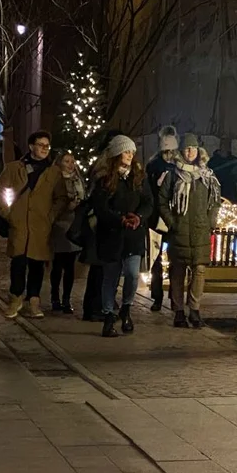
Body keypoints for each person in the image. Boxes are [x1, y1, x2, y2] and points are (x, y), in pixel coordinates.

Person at [0, 131, 67, 320]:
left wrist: (50, 216)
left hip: (41, 226)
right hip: (20, 224)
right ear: (31, 146)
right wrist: (7, 212)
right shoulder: (14, 168)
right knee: (18, 262)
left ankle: (33, 300)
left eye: (47, 146)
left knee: (36, 264)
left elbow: (61, 198)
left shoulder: (54, 172)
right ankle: (15, 298)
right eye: (40, 145)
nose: (44, 149)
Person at [90, 135, 152, 338]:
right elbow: (100, 207)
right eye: (126, 152)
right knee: (110, 276)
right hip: (112, 235)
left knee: (133, 274)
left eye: (132, 153)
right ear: (117, 153)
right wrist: (119, 219)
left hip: (133, 235)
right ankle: (108, 315)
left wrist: (139, 217)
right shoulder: (105, 178)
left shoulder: (138, 177)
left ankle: (126, 308)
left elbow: (148, 202)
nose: (130, 156)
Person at [158, 133, 221, 328]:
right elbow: (162, 201)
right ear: (181, 151)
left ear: (198, 150)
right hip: (179, 231)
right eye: (186, 148)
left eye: (193, 148)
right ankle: (178, 311)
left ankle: (194, 309)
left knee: (199, 270)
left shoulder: (207, 175)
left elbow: (215, 200)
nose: (190, 152)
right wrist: (172, 222)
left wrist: (211, 221)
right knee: (178, 272)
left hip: (201, 231)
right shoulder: (172, 175)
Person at [81, 129, 125, 322]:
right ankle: (95, 308)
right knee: (101, 268)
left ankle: (96, 306)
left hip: (103, 224)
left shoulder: (103, 166)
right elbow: (100, 201)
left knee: (101, 268)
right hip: (101, 225)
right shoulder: (105, 172)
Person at [145, 125, 180, 311]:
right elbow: (150, 191)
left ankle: (174, 297)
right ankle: (157, 296)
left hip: (173, 218)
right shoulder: (154, 166)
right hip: (156, 219)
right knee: (156, 258)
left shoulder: (179, 166)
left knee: (175, 259)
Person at [50, 151, 86, 314]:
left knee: (70, 266)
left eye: (72, 161)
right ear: (59, 163)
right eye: (67, 161)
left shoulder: (78, 180)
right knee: (58, 264)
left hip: (73, 226)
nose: (71, 164)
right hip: (59, 225)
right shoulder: (54, 180)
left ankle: (66, 298)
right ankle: (55, 297)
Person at [208, 137, 237, 203]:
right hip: (216, 191)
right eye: (223, 144)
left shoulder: (234, 161)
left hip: (230, 192)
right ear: (220, 145)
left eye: (228, 144)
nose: (225, 146)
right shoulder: (212, 162)